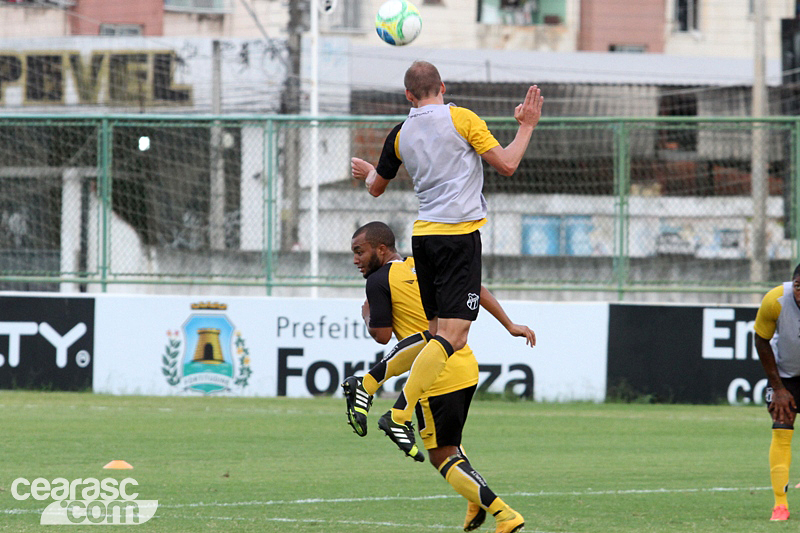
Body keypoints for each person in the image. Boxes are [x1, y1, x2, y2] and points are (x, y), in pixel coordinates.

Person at [350, 60, 543, 463]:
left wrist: (371, 172)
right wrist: (526, 125)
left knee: (432, 333)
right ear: (442, 86)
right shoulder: (462, 119)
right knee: (454, 339)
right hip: (458, 236)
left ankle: (367, 384)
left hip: (424, 238)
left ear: (407, 95)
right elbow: (507, 164)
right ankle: (400, 412)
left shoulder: (399, 134)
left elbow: (375, 190)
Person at [342, 221, 535, 533]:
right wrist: (510, 325)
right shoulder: (423, 265)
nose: (355, 259)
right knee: (451, 443)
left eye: (359, 251)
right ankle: (476, 500)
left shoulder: (378, 280)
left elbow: (381, 335)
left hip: (433, 377)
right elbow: (476, 288)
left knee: (440, 455)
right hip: (464, 364)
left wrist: (366, 313)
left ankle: (504, 515)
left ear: (381, 249)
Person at [755, 263, 800, 522]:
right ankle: (780, 505)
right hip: (786, 376)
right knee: (781, 424)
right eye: (798, 287)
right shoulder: (775, 300)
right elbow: (761, 340)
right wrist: (778, 388)